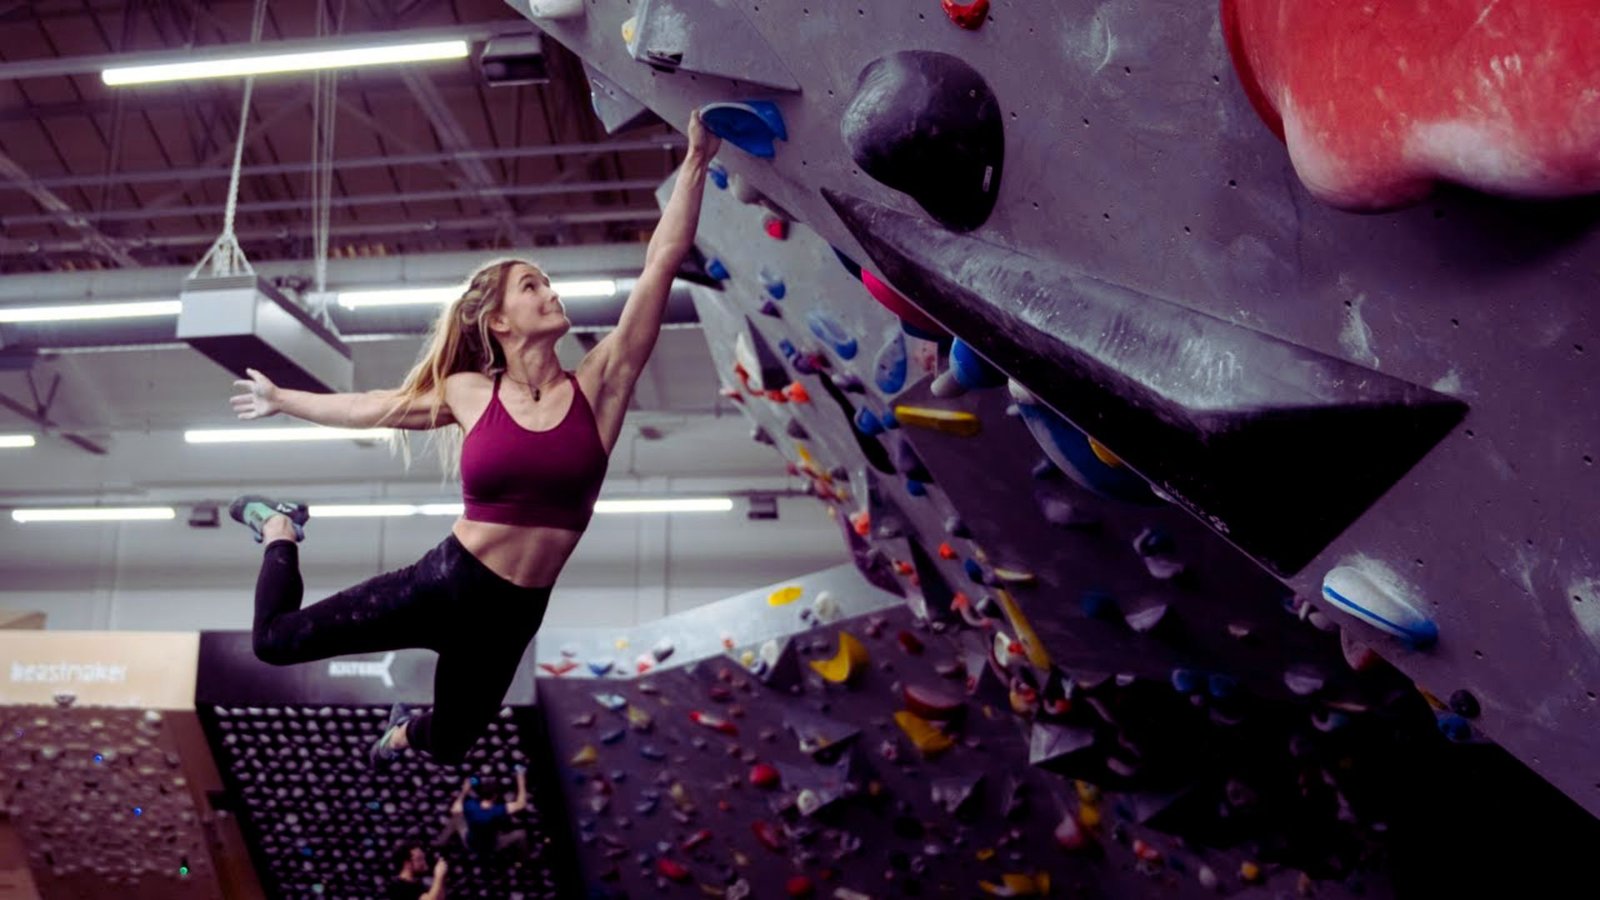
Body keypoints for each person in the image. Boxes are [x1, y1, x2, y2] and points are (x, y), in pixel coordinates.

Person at [225, 112, 721, 768]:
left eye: (546, 281)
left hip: (514, 614)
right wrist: (285, 398)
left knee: (451, 746)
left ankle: (406, 731)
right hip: (443, 582)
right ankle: (280, 529)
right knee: (274, 641)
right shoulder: (468, 392)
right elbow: (374, 406)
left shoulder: (601, 383)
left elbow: (661, 259)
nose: (550, 291)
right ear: (499, 323)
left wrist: (696, 160)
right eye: (532, 285)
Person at [451, 766, 530, 856]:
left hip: (471, 844)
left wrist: (464, 791)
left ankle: (441, 845)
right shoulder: (497, 811)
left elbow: (454, 809)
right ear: (495, 797)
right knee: (521, 834)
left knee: (456, 819)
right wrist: (521, 779)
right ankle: (524, 858)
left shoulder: (470, 805)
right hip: (491, 847)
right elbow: (521, 804)